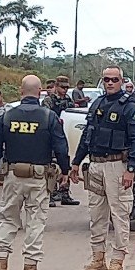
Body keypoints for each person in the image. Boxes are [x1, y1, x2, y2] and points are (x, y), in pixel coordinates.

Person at [0, 75, 71, 270]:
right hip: (39, 178)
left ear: (20, 91)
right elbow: (61, 146)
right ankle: (30, 268)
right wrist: (65, 170)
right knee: (35, 221)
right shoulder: (49, 117)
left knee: (7, 217)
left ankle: (1, 263)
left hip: (13, 175)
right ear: (40, 91)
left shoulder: (7, 116)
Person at [70, 67, 135, 270]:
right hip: (95, 165)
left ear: (121, 81)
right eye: (106, 79)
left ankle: (117, 261)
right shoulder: (97, 103)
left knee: (120, 214)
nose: (110, 83)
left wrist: (131, 169)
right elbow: (87, 136)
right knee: (96, 214)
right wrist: (76, 162)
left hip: (117, 166)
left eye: (114, 79)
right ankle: (98, 260)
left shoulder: (129, 107)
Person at [42, 75, 80, 206]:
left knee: (65, 162)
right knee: (52, 166)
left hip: (65, 134)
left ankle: (65, 193)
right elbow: (46, 117)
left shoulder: (68, 100)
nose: (65, 90)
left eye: (67, 88)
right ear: (56, 86)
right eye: (63, 87)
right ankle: (51, 194)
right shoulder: (49, 100)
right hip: (51, 137)